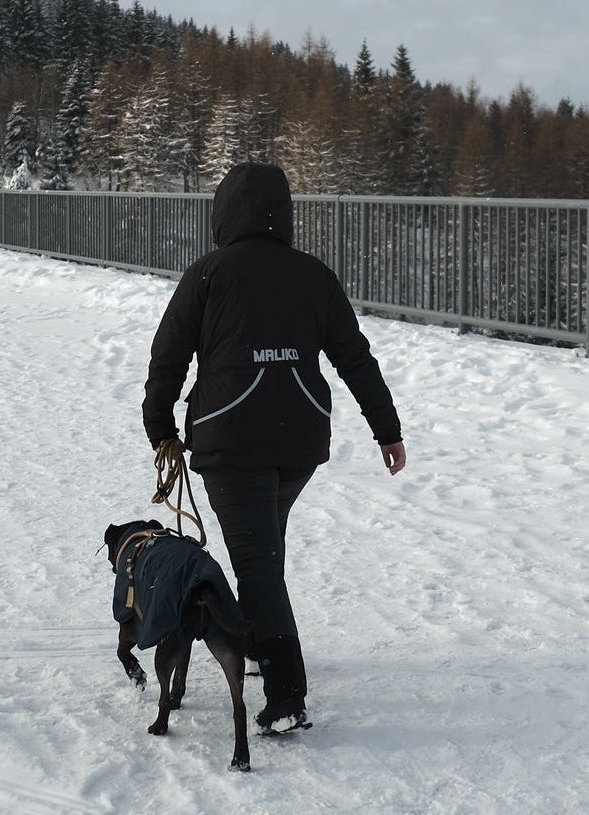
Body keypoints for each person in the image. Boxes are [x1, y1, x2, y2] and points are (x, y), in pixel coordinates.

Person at [142, 162, 406, 734]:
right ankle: (259, 643)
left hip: (230, 443)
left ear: (223, 212)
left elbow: (168, 358)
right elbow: (354, 357)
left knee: (258, 563)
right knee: (264, 550)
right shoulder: (313, 276)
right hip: (299, 443)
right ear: (283, 213)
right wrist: (387, 429)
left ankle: (287, 692)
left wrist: (160, 426)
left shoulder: (206, 275)